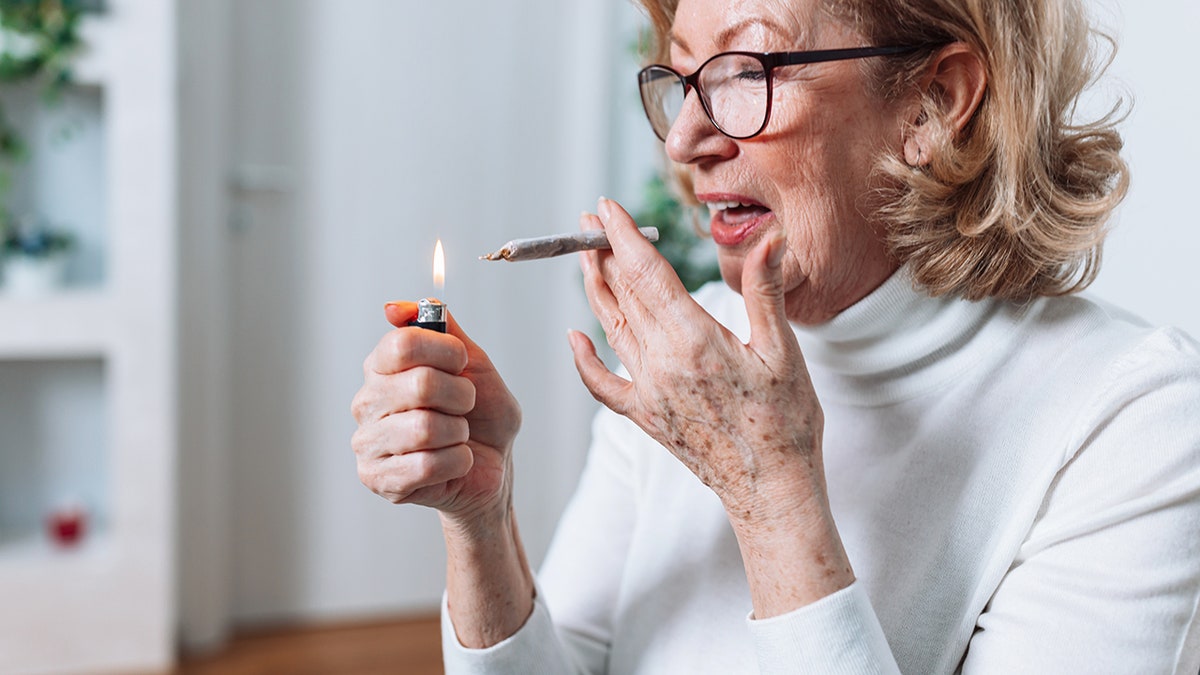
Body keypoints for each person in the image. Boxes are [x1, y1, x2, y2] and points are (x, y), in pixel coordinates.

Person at [351, 0, 1200, 670]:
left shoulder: (1134, 418)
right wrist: (482, 520)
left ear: (933, 104)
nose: (685, 139)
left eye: (744, 71)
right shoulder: (689, 349)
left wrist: (770, 491)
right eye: (684, 80)